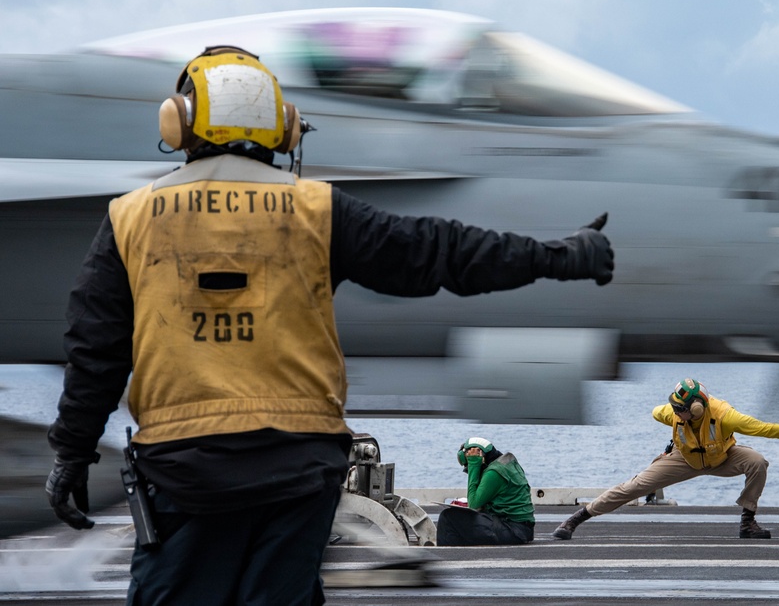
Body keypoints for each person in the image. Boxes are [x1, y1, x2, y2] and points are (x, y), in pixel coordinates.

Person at [43, 45, 614, 605]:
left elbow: (96, 350)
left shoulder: (131, 218)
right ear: (285, 126)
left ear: (179, 122)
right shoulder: (316, 210)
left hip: (184, 472)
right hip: (298, 471)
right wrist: (558, 255)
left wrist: (72, 454)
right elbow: (440, 253)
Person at [552, 377, 779, 541]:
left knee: (757, 462)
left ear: (697, 409)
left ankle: (747, 522)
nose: (674, 413)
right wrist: (667, 448)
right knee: (634, 486)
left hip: (723, 458)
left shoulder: (725, 416)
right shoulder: (672, 412)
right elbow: (656, 412)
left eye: (680, 409)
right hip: (684, 460)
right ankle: (577, 519)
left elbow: (766, 428)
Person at [436, 437, 535, 546]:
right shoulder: (506, 463)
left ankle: (447, 554)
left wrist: (474, 465)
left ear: (481, 458)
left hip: (512, 530)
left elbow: (474, 504)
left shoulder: (493, 473)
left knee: (448, 517)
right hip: (522, 529)